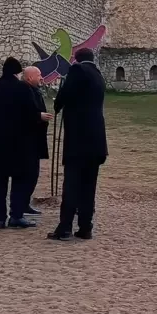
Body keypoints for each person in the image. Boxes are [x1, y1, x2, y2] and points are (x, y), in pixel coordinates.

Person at [0, 57, 50, 229]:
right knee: (19, 180)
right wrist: (38, 118)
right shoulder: (23, 89)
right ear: (17, 73)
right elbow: (29, 114)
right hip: (20, 144)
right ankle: (16, 215)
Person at [47, 48, 107, 241]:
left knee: (72, 184)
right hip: (96, 140)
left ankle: (64, 228)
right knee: (89, 186)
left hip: (79, 139)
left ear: (77, 59)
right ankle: (85, 227)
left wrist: (58, 103)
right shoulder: (98, 75)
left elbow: (65, 94)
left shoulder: (77, 71)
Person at [22, 66, 50, 216]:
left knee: (33, 174)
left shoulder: (34, 90)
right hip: (28, 141)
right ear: (29, 78)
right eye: (38, 75)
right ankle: (20, 205)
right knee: (28, 174)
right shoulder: (25, 92)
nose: (41, 77)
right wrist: (38, 116)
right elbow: (22, 114)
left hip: (36, 139)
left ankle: (25, 203)